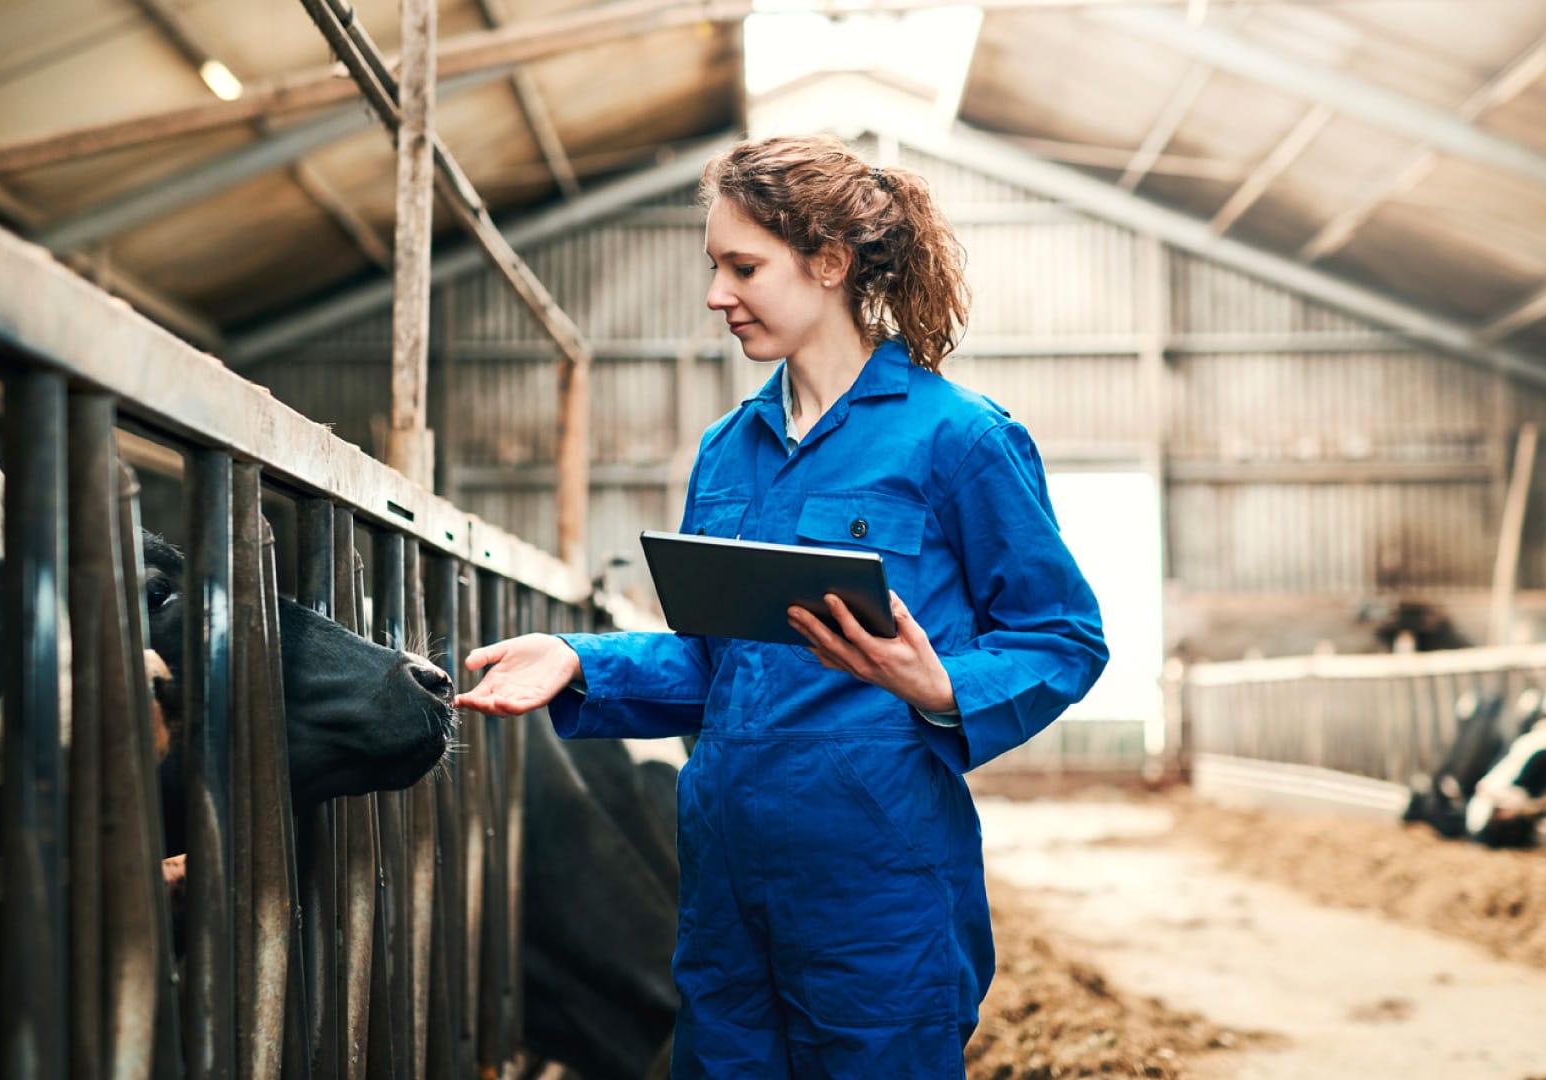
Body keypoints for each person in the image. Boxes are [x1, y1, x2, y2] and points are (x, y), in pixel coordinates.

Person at [453, 134, 1107, 1077]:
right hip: (723, 877)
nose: (718, 294)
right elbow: (720, 668)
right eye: (715, 266)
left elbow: (1063, 637)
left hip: (876, 881)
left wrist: (941, 684)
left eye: (744, 267)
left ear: (831, 264)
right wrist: (580, 661)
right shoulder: (727, 451)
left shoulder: (957, 440)